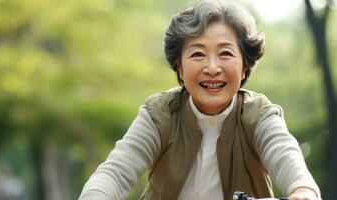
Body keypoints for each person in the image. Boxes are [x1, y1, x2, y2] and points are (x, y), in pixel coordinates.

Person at [79, 0, 321, 199]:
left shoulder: (258, 115)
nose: (212, 67)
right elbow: (116, 172)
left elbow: (284, 154)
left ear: (245, 66)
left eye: (225, 53)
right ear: (180, 68)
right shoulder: (161, 114)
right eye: (197, 54)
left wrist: (303, 190)